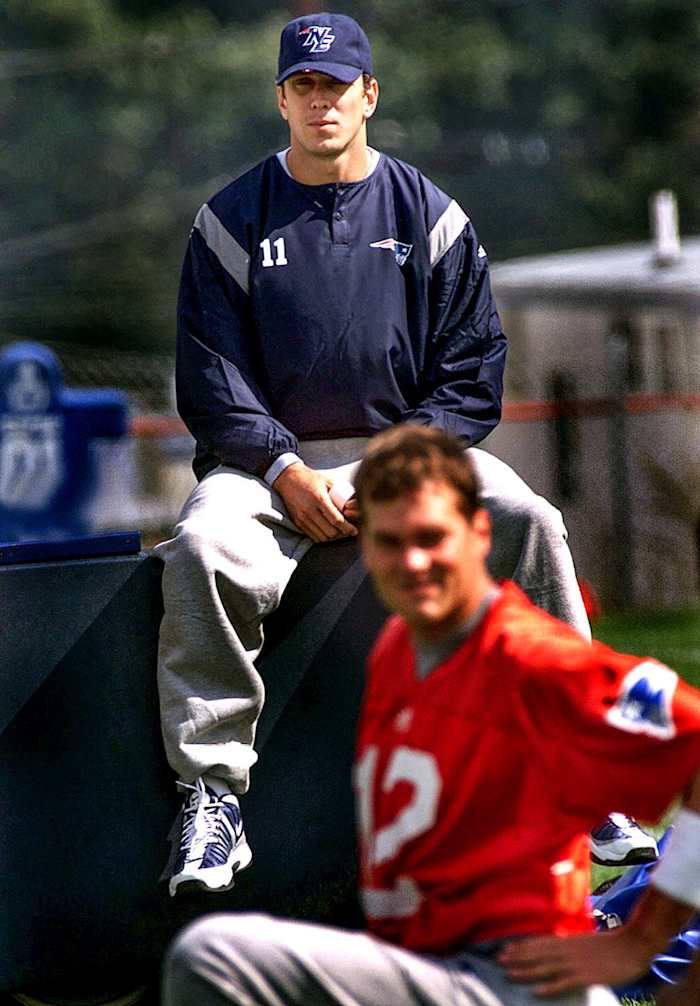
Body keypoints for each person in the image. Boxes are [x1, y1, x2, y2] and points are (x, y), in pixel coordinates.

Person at [155, 11, 649, 899]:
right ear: (281, 100)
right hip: (270, 468)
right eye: (303, 88)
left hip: (409, 450)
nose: (321, 103)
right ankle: (213, 796)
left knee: (530, 518)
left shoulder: (431, 213)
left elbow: (474, 373)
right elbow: (211, 378)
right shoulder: (227, 220)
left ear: (369, 95)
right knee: (200, 548)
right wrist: (283, 468)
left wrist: (396, 461)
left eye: (337, 86)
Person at [162, 425, 700, 1006]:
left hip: (512, 980)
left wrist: (642, 941)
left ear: (479, 533)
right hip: (419, 968)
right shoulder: (401, 648)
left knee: (214, 957)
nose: (413, 562)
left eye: (431, 538)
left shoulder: (534, 659)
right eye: (391, 542)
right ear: (364, 547)